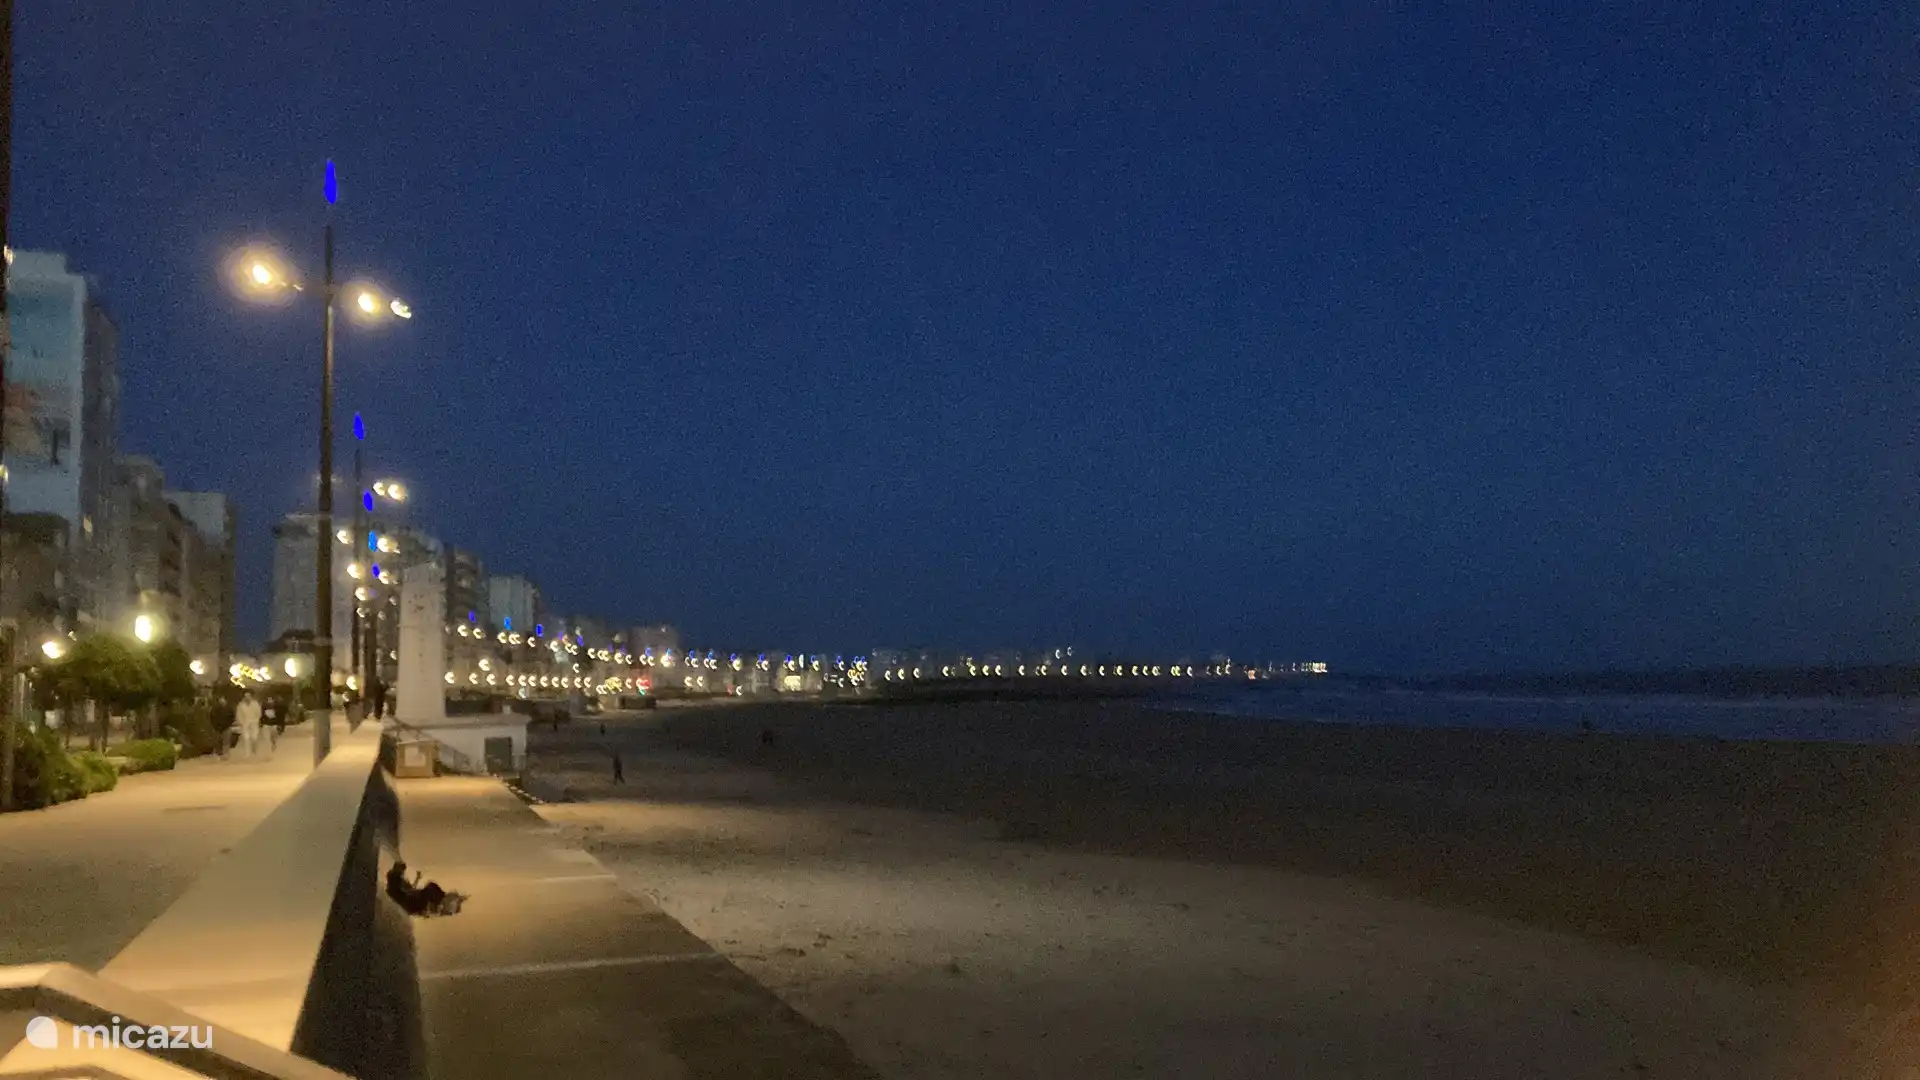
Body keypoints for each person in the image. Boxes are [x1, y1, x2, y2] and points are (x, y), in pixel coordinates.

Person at [232, 692, 262, 760]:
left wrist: (256, 720)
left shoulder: (255, 704)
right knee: (246, 738)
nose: (247, 698)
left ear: (251, 697)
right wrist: (241, 722)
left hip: (254, 723)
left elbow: (259, 713)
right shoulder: (240, 705)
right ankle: (247, 753)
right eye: (245, 696)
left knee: (254, 738)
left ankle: (254, 750)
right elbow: (238, 715)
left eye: (248, 696)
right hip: (245, 724)